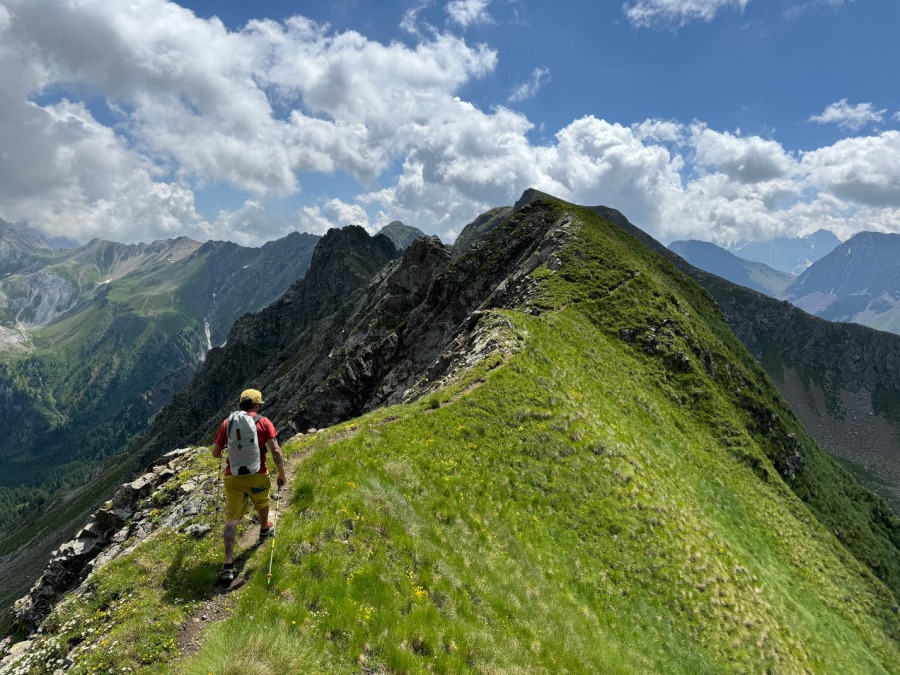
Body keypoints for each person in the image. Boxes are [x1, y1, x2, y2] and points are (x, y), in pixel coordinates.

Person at [212, 388, 287, 583]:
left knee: (231, 519)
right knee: (262, 502)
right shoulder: (264, 422)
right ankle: (263, 529)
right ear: (257, 405)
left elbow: (215, 452)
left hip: (233, 476)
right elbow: (275, 451)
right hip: (257, 473)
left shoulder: (227, 423)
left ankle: (228, 564)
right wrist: (281, 474)